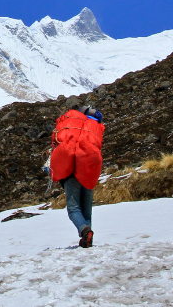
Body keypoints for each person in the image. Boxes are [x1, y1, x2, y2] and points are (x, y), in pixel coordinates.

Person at [49, 104, 104, 248]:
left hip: (71, 173)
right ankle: (88, 239)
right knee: (86, 210)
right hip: (89, 171)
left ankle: (85, 231)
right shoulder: (94, 127)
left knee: (73, 209)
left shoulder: (71, 125)